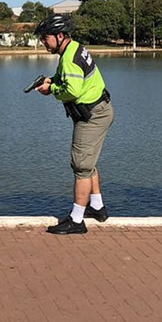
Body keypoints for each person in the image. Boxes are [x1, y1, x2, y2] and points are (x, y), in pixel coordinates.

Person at [33, 14, 113, 235]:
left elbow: (72, 90)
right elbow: (69, 79)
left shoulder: (68, 58)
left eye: (45, 38)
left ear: (59, 36)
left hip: (92, 115)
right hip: (99, 110)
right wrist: (53, 80)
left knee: (81, 165)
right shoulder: (74, 48)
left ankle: (77, 220)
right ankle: (97, 207)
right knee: (88, 161)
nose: (43, 42)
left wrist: (52, 90)